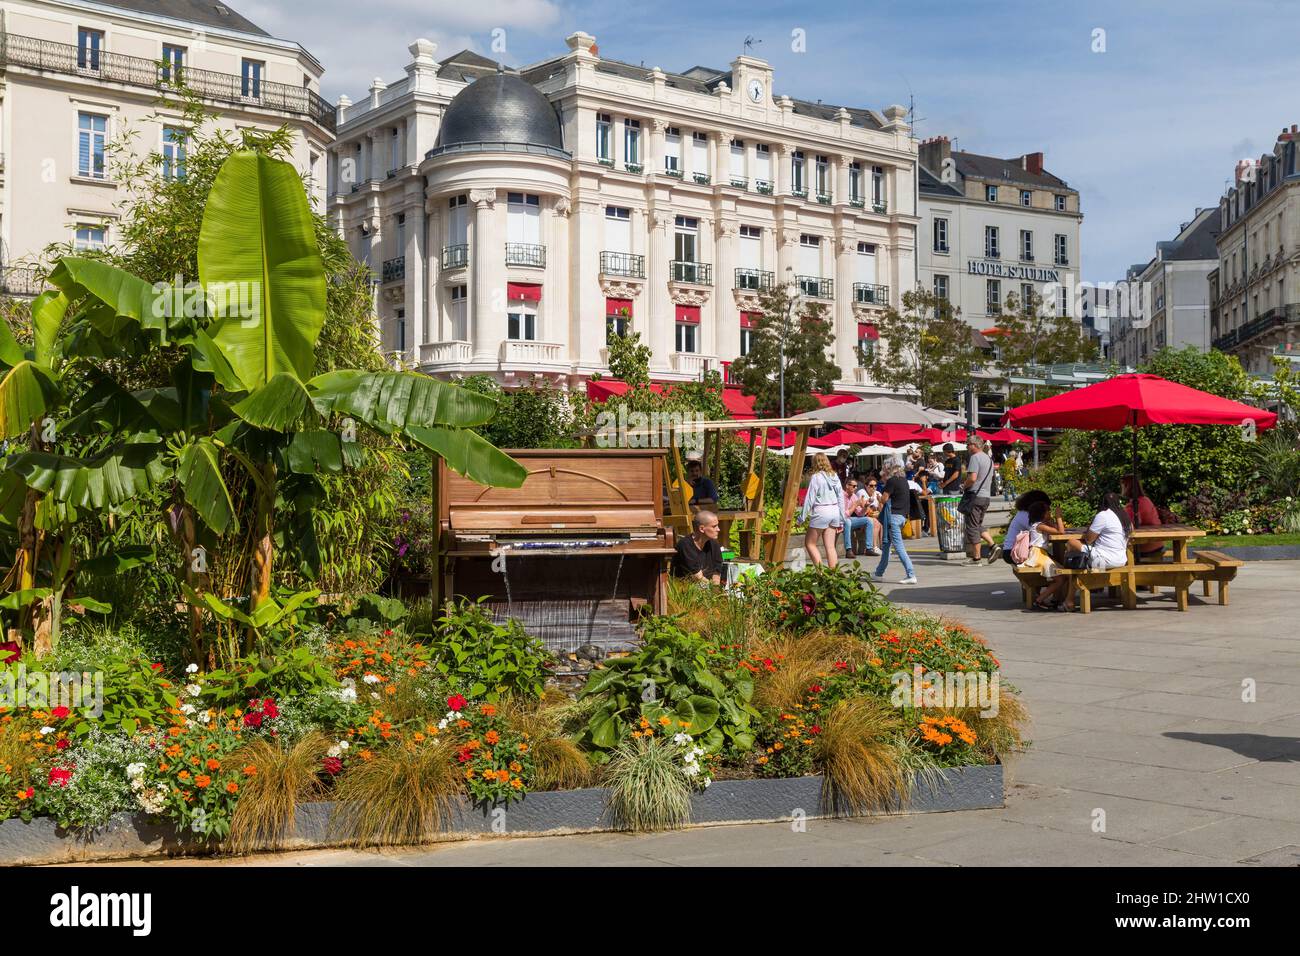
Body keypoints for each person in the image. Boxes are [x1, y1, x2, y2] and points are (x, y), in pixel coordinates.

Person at [1059, 493, 1132, 612]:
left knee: (1072, 543)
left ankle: (1068, 595)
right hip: (1121, 559)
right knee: (1079, 560)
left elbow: (1089, 539)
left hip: (1104, 559)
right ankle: (1069, 594)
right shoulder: (1124, 516)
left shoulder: (1103, 515)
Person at [873, 459, 918, 585]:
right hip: (902, 516)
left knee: (899, 547)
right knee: (886, 545)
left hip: (893, 517)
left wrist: (879, 497)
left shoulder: (892, 481)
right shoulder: (904, 480)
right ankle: (878, 573)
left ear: (890, 468)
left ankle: (911, 574)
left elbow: (884, 499)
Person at [799, 453, 846, 568]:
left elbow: (810, 498)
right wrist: (841, 519)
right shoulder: (834, 476)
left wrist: (802, 517)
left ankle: (821, 574)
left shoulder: (816, 477)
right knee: (830, 546)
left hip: (821, 511)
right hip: (834, 510)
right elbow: (841, 498)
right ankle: (834, 576)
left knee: (810, 543)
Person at [961, 436, 999, 566]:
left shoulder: (975, 458)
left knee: (971, 527)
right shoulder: (988, 458)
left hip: (975, 496)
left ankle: (976, 558)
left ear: (973, 445)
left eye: (968, 445)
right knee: (977, 524)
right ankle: (993, 545)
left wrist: (963, 486)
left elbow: (972, 478)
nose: (967, 447)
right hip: (986, 496)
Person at [672, 509, 723, 584]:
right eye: (714, 526)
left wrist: (717, 592)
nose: (718, 529)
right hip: (685, 591)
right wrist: (712, 591)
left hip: (706, 589)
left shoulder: (714, 544)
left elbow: (717, 573)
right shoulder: (685, 545)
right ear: (701, 529)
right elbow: (697, 577)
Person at [1122, 475, 1165, 561]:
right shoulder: (1146, 500)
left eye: (1122, 485)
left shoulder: (1134, 505)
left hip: (1145, 547)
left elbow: (1127, 525)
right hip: (1157, 543)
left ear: (1127, 486)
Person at [841, 478, 880, 558]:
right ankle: (848, 550)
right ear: (847, 486)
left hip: (849, 519)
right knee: (847, 521)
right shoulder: (841, 496)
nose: (856, 488)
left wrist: (865, 506)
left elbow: (860, 514)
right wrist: (855, 505)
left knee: (868, 520)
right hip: (841, 520)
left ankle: (869, 548)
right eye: (854, 486)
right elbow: (843, 516)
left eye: (857, 486)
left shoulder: (854, 496)